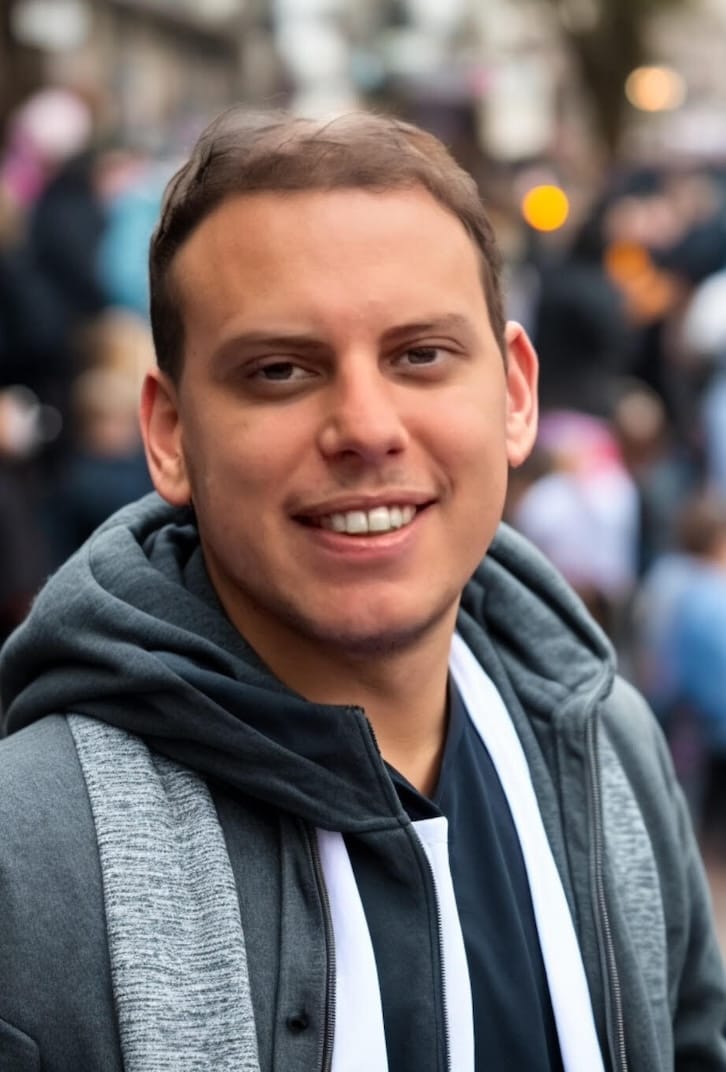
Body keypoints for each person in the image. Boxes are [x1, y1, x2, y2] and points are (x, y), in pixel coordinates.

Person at [0, 108, 724, 1072]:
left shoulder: (607, 745)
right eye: (279, 371)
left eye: (420, 355)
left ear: (515, 395)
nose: (367, 427)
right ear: (170, 434)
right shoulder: (31, 857)